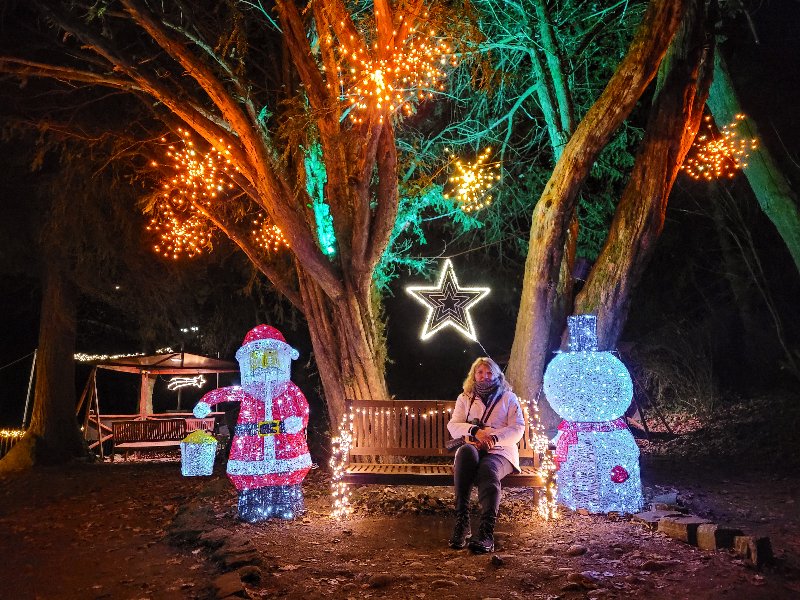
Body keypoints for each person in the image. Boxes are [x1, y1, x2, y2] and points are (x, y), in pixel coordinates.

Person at [447, 357, 525, 553]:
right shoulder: (465, 398)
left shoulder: (508, 397)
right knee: (464, 453)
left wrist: (493, 439)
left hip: (501, 451)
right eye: (480, 372)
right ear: (474, 375)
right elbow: (453, 425)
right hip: (473, 446)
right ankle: (462, 523)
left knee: (487, 470)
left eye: (489, 373)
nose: (485, 376)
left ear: (497, 375)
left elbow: (517, 428)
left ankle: (485, 534)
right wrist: (474, 431)